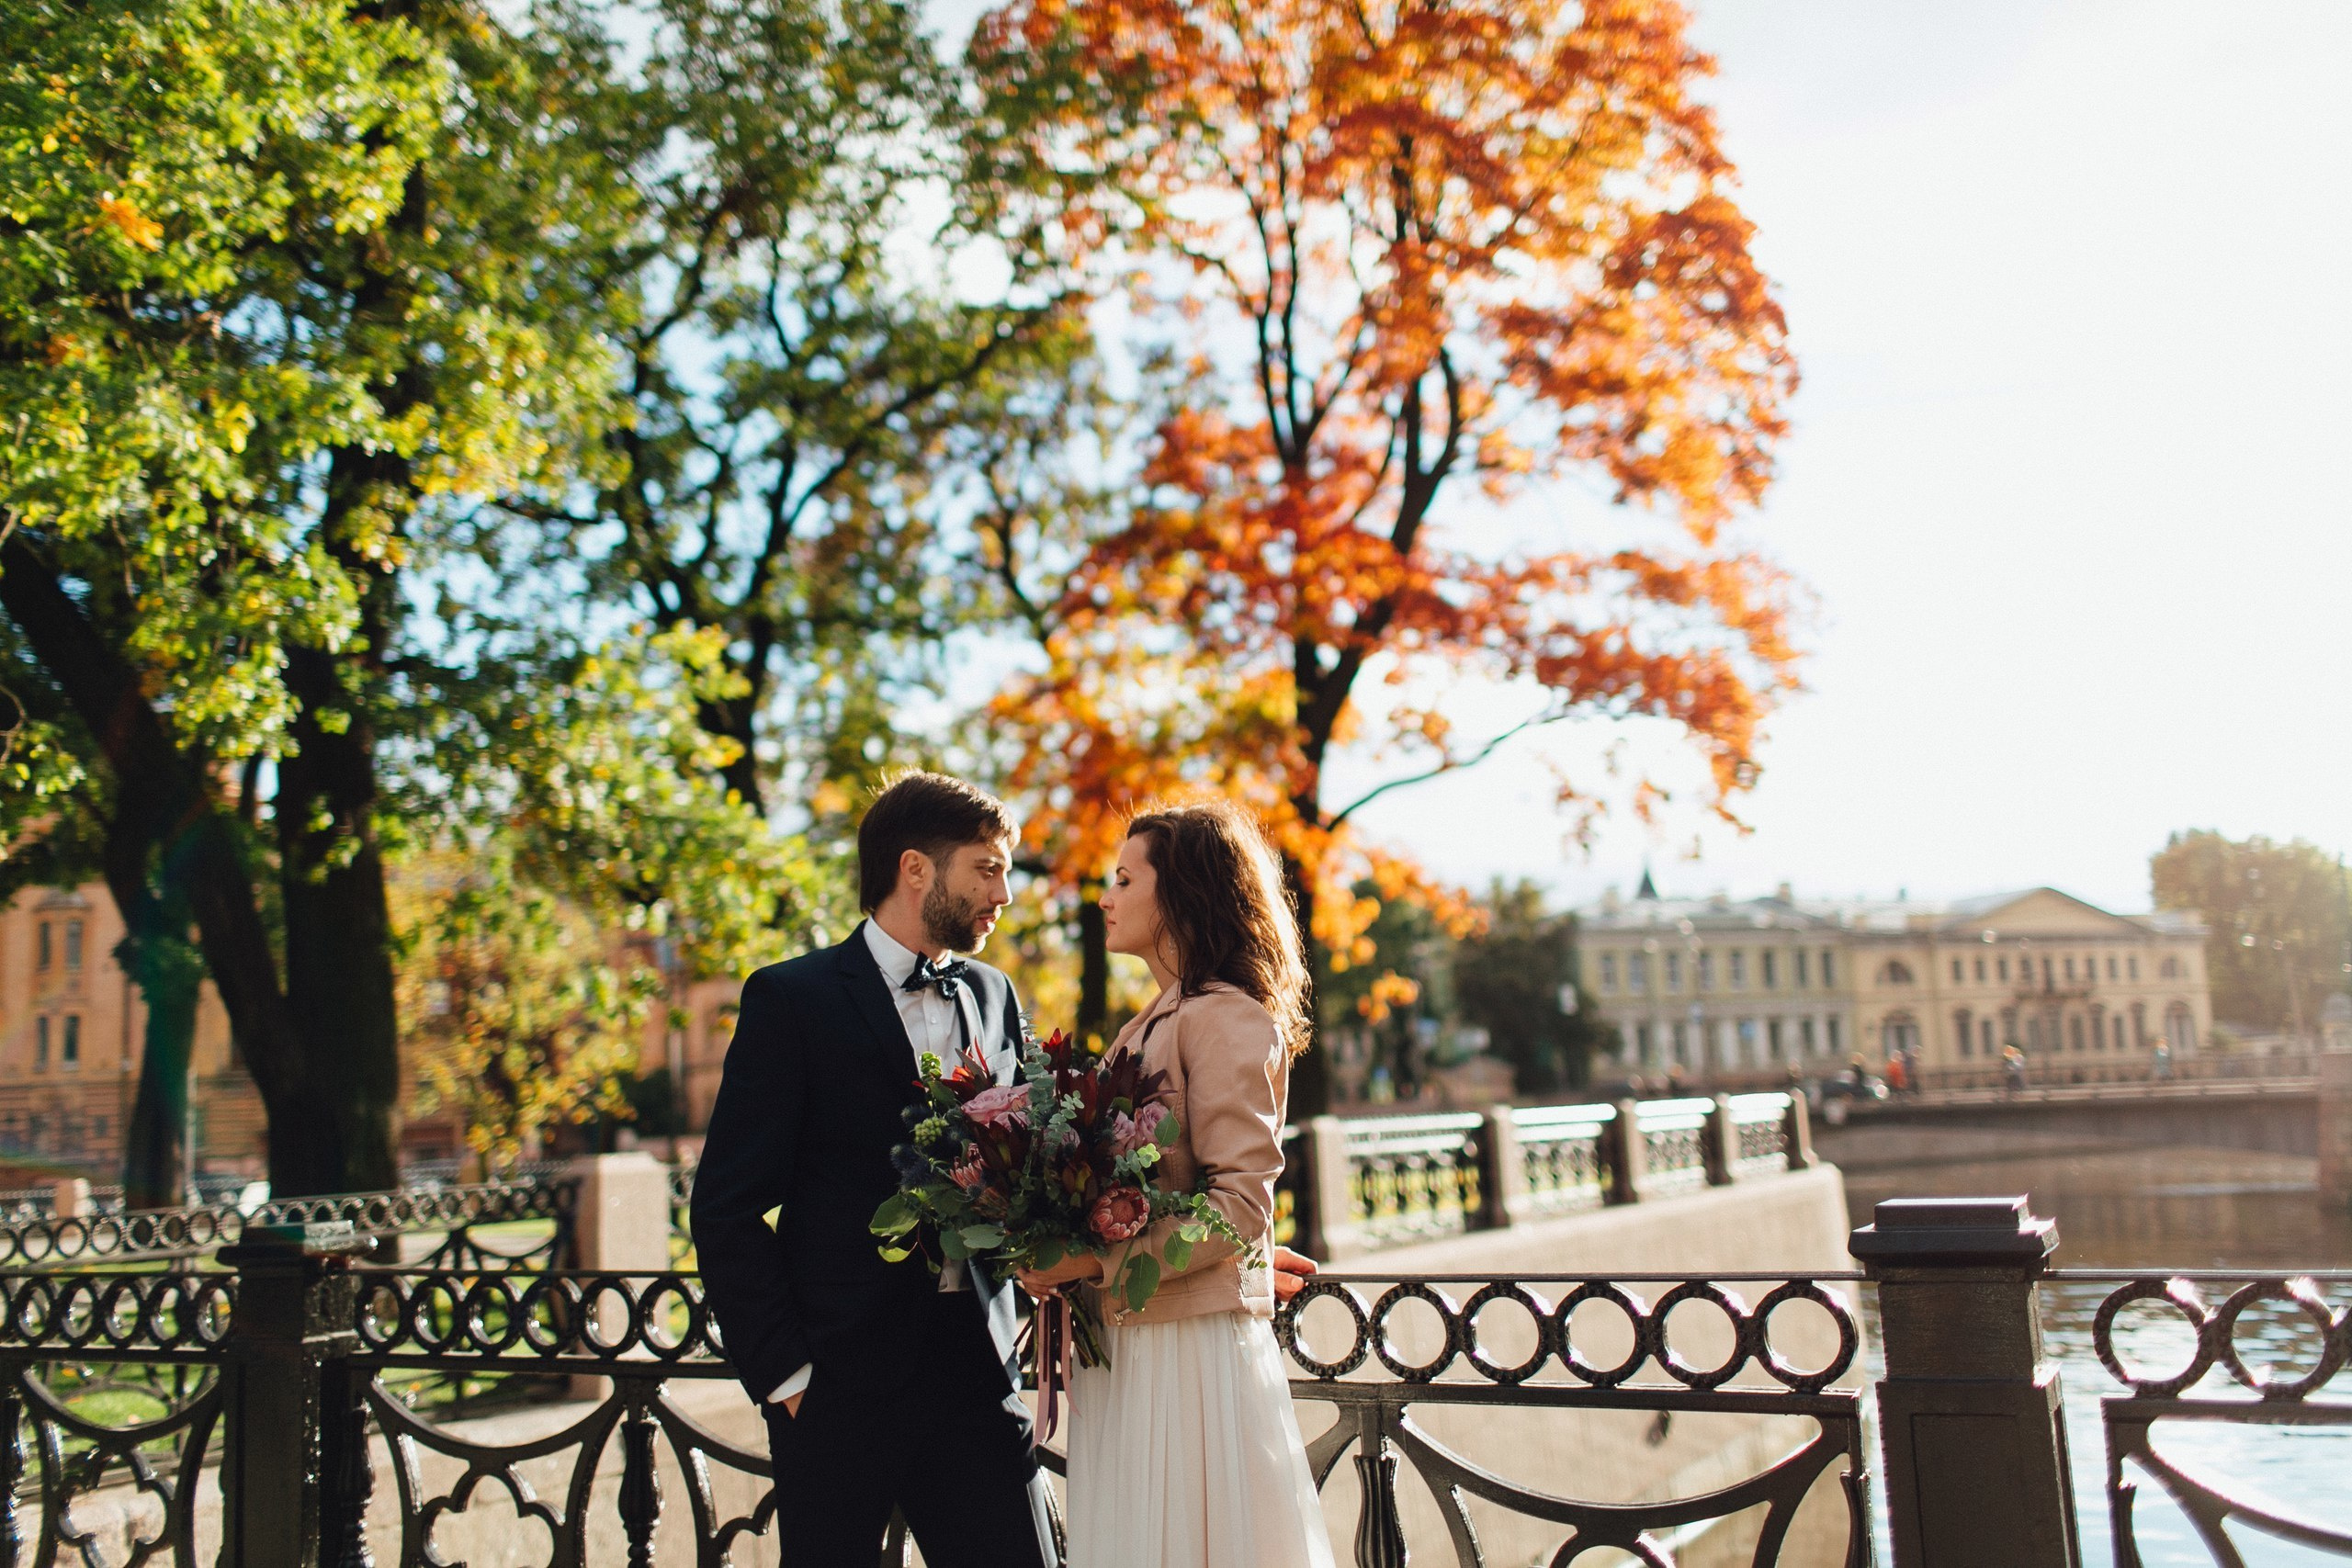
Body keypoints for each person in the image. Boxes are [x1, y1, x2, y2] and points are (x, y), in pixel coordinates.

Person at [692, 773, 1318, 1568]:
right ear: (916, 868)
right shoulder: (791, 999)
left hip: (978, 1380)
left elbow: (1064, 1173)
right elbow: (725, 1206)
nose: (1005, 892)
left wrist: (1238, 1247)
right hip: (837, 1390)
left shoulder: (995, 994)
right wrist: (787, 1374)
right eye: (987, 869)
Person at [1017, 800, 1337, 1568]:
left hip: (1184, 1362)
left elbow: (1239, 1207)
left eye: (1125, 878)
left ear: (1183, 894)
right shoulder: (1149, 1023)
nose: (1105, 896)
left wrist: (1090, 1262)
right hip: (1132, 1351)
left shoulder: (1227, 1017)